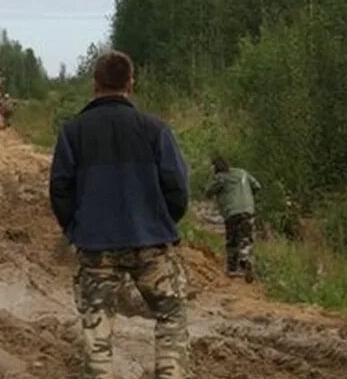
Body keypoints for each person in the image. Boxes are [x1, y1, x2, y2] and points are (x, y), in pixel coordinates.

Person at [49, 50, 191, 379]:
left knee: (96, 326)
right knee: (171, 313)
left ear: (95, 83)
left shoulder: (73, 132)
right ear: (131, 83)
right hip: (152, 243)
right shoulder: (156, 129)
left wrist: (77, 228)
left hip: (96, 246)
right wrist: (159, 221)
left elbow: (60, 190)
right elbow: (178, 188)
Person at [204, 155, 261, 280]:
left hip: (231, 212)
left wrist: (212, 178)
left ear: (215, 167)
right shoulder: (242, 173)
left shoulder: (220, 178)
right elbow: (257, 186)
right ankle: (246, 259)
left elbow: (208, 192)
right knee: (246, 237)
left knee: (232, 239)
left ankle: (232, 268)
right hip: (248, 209)